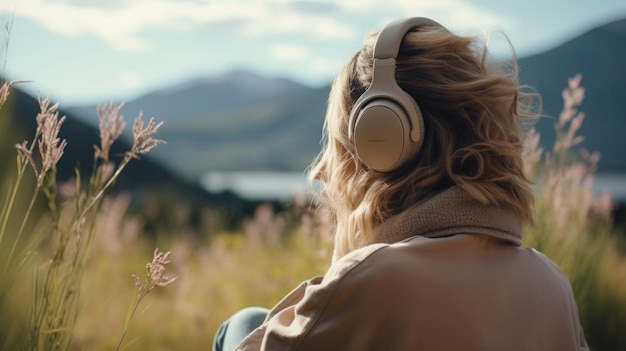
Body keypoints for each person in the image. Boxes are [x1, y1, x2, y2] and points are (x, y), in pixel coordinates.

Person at [213, 17, 589, 351]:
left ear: (385, 142)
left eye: (341, 146)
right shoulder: (553, 285)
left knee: (242, 324)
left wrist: (350, 260)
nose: (321, 172)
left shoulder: (375, 282)